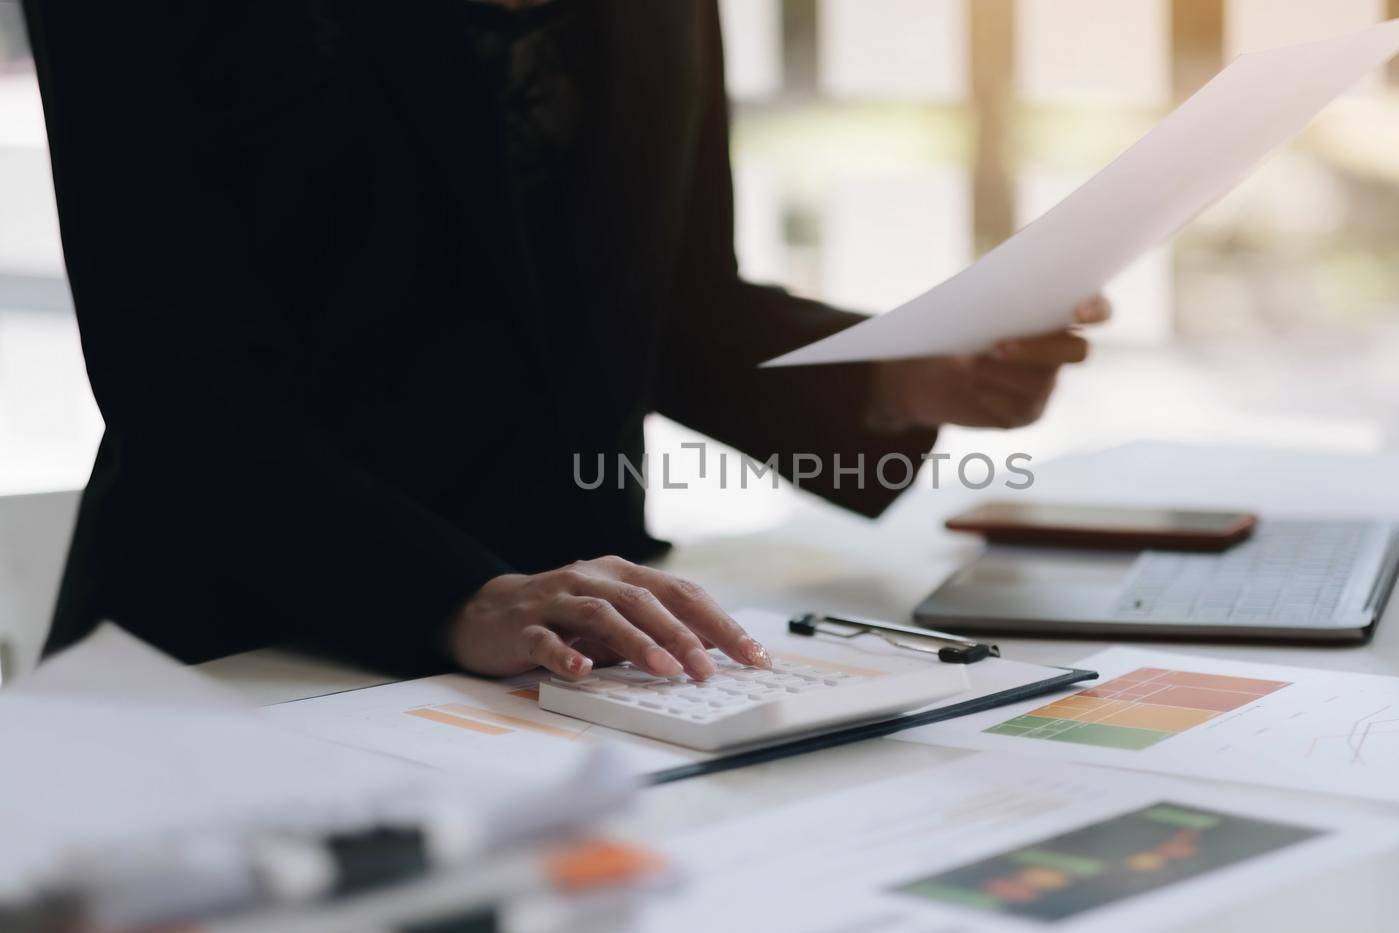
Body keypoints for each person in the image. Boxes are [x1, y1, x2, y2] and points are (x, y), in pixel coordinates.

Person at [29, 0, 1109, 680]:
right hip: (246, 650)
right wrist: (455, 594)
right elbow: (177, 378)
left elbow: (673, 306)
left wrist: (901, 377)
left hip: (595, 653)